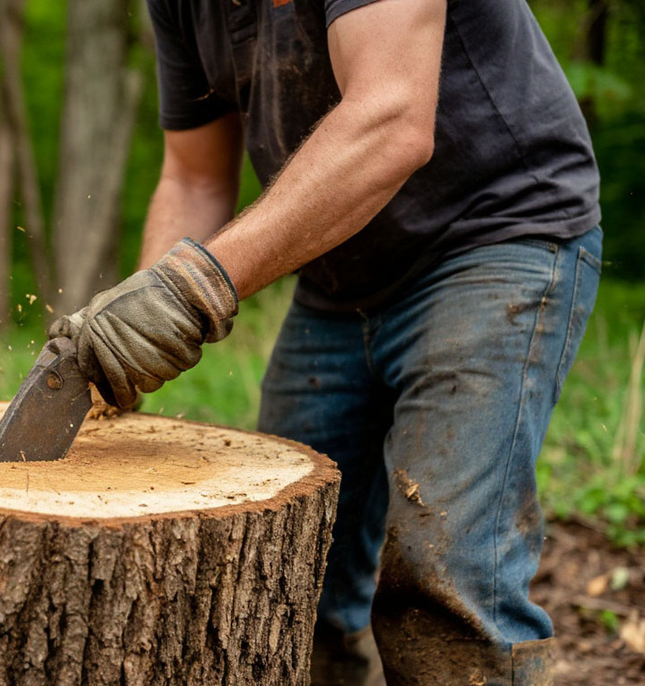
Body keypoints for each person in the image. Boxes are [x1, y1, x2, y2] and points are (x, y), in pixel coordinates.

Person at [49, 0, 602, 683]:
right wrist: (134, 325)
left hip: (492, 239)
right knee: (284, 574)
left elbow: (393, 118)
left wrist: (192, 290)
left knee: (446, 579)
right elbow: (194, 176)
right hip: (338, 281)